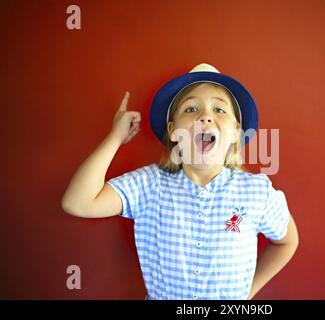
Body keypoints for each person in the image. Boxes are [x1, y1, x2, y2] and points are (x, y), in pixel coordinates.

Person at [61, 63, 299, 300]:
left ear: (236, 131)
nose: (205, 116)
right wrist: (115, 137)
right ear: (173, 131)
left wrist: (247, 293)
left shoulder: (257, 192)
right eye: (191, 109)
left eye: (219, 110)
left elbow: (287, 241)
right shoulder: (149, 185)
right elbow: (78, 203)